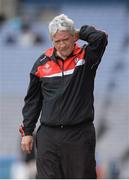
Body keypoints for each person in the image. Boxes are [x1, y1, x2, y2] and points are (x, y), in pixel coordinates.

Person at [19, 14, 108, 179]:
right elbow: (33, 101)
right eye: (57, 41)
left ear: (74, 37)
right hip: (48, 136)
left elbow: (100, 38)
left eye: (65, 39)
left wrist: (79, 32)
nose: (62, 45)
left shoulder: (86, 57)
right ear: (52, 40)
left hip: (79, 134)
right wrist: (27, 132)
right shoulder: (41, 63)